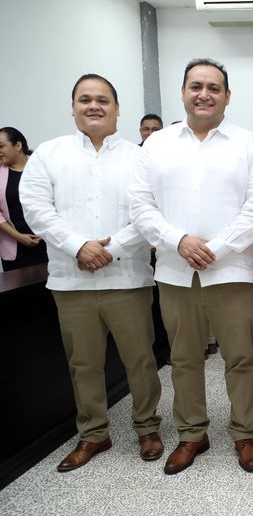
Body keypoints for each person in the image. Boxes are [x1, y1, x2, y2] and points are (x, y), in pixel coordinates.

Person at [129, 58, 253, 475]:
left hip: (232, 271)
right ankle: (192, 434)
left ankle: (245, 433)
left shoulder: (248, 144)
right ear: (183, 92)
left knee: (240, 357)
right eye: (196, 86)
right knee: (183, 357)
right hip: (175, 271)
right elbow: (140, 205)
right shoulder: (157, 145)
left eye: (213, 87)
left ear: (228, 96)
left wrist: (216, 247)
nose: (204, 94)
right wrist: (179, 241)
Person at [19, 74, 163, 471]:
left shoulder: (140, 157)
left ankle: (148, 427)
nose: (93, 106)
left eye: (103, 99)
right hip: (71, 280)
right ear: (73, 107)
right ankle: (93, 434)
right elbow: (36, 209)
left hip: (128, 279)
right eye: (85, 99)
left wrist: (109, 249)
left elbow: (149, 213)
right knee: (82, 363)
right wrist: (77, 246)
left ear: (118, 109)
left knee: (140, 360)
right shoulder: (49, 154)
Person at [0, 127, 47, 271]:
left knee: (52, 291)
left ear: (18, 145)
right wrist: (19, 236)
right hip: (15, 246)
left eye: (1, 146)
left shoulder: (43, 167)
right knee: (20, 292)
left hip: (50, 242)